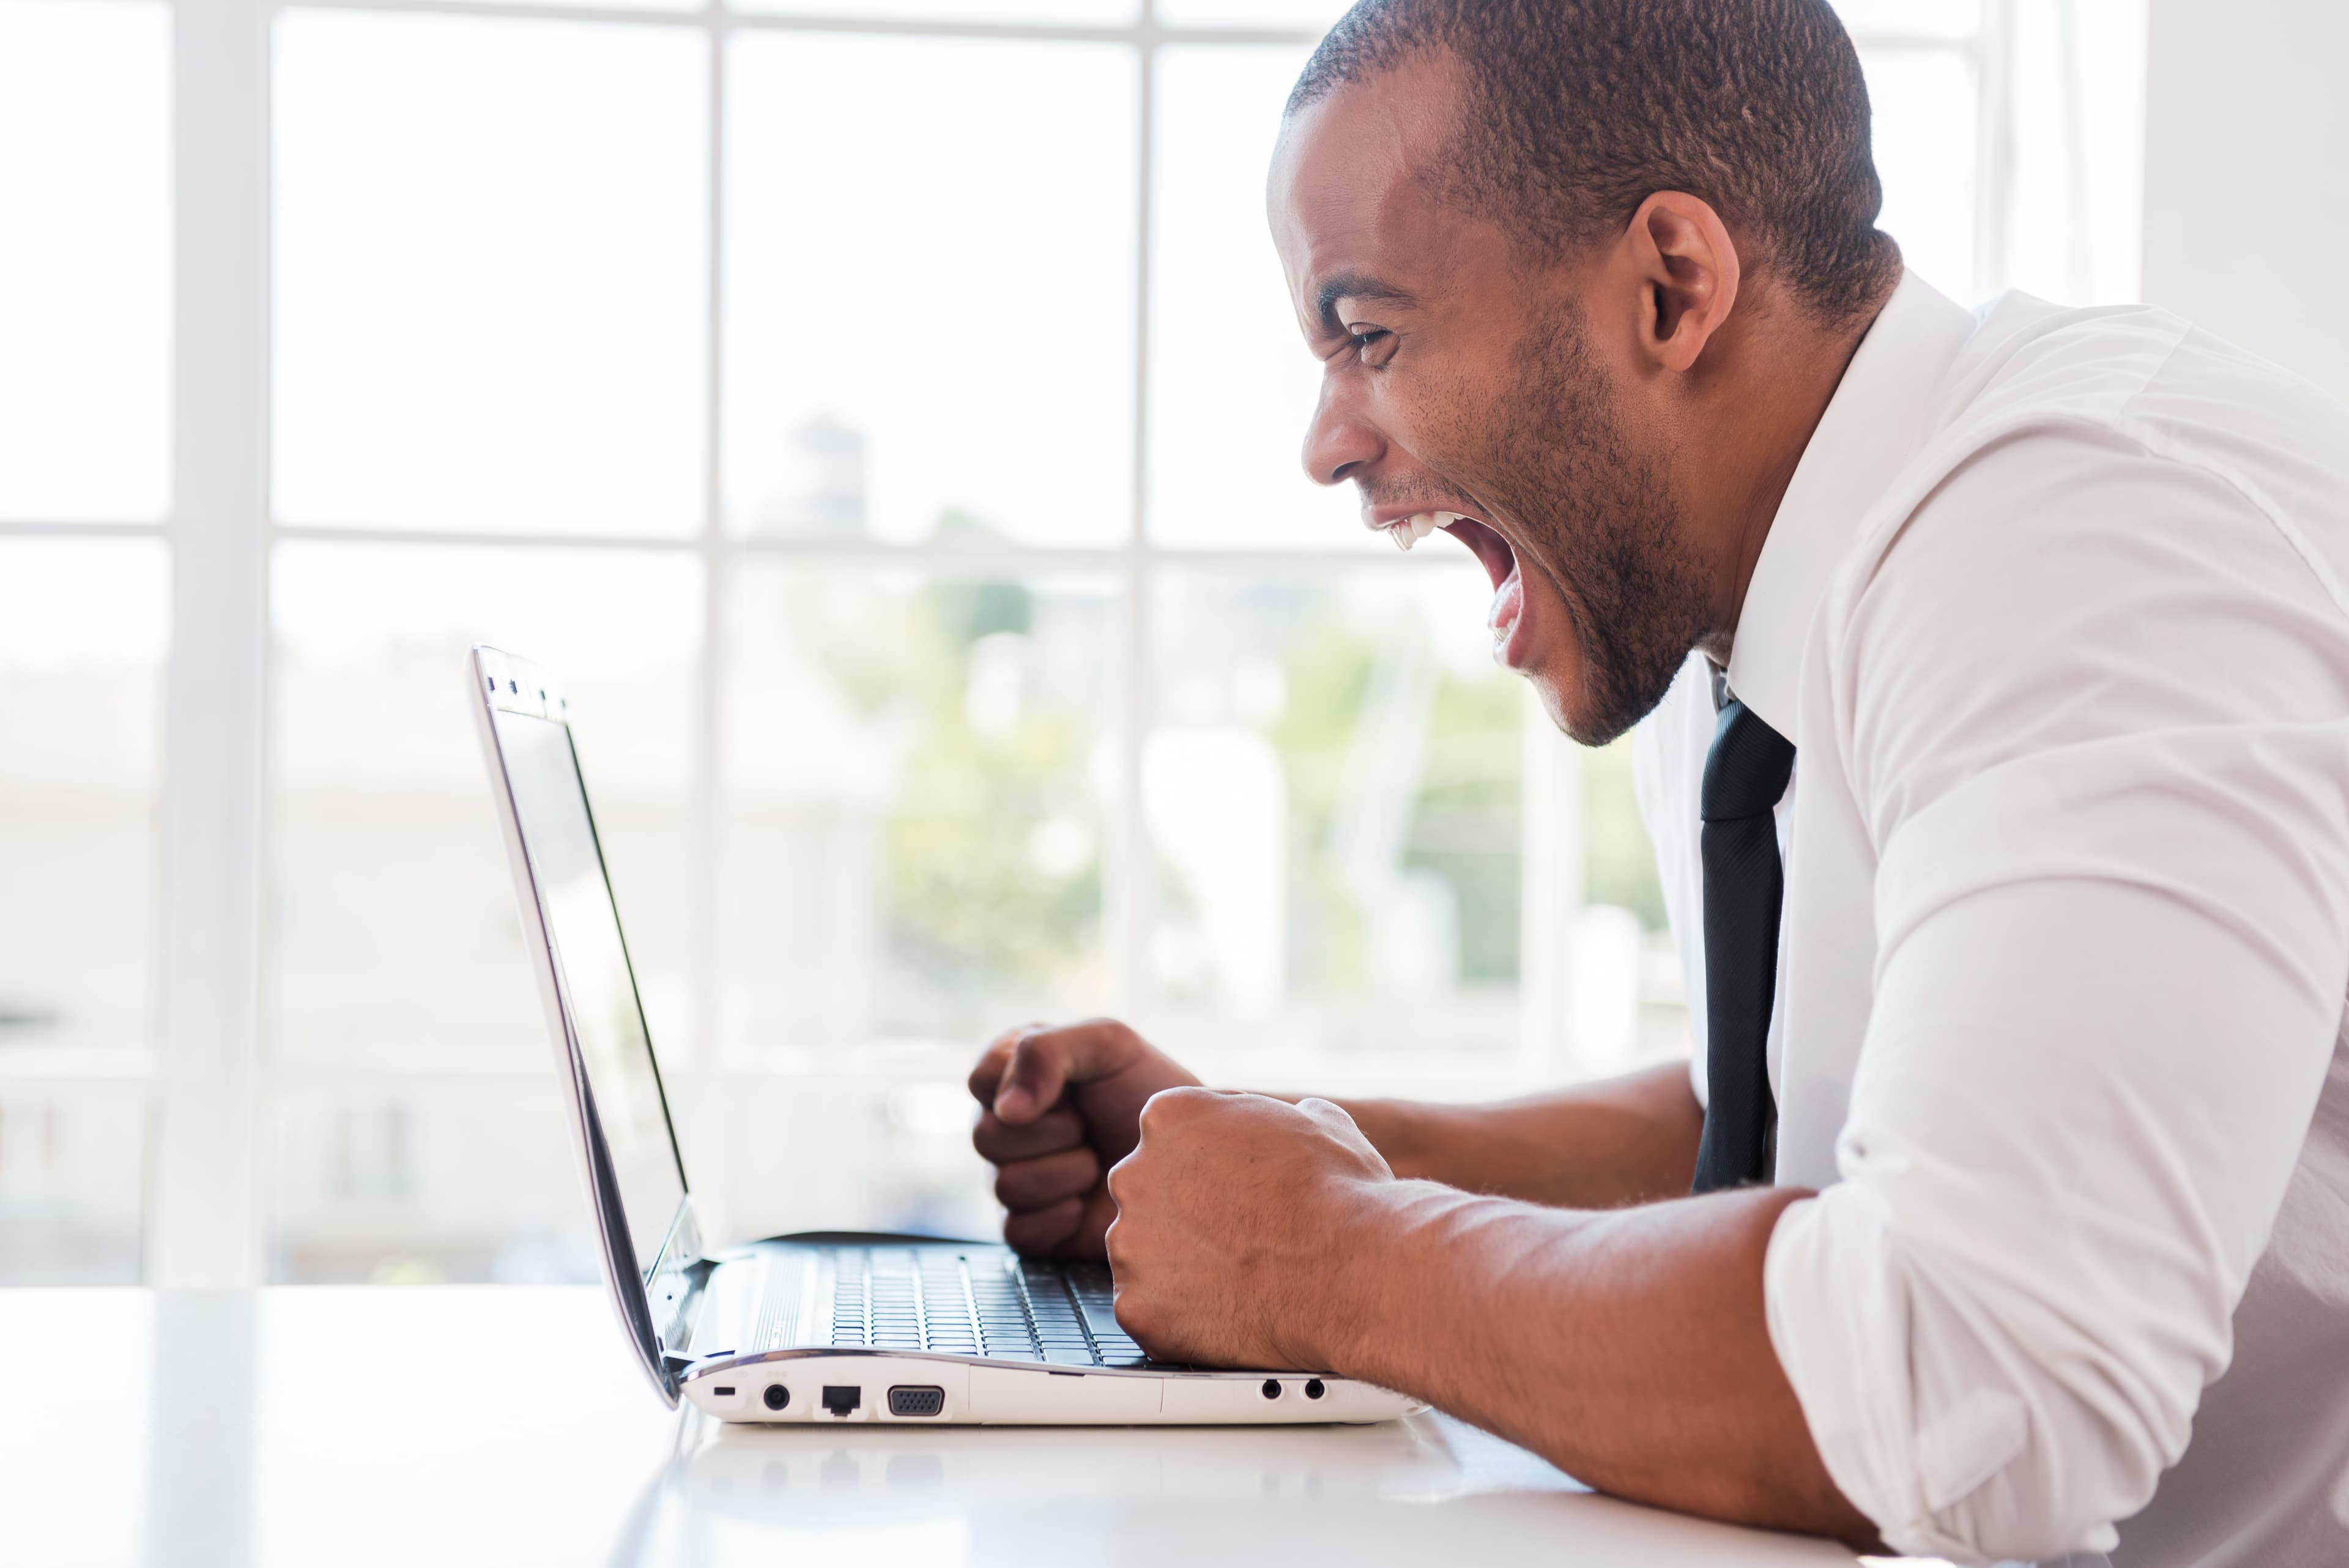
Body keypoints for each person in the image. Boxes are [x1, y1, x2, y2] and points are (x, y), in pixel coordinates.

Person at [964, 2, 2349, 1560]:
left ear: (1669, 287)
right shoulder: (1727, 604)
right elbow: (1765, 1117)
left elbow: (1978, 1388)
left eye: (1370, 331)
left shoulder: (2084, 542)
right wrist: (1261, 1158)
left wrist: (1329, 1255)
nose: (1324, 444)